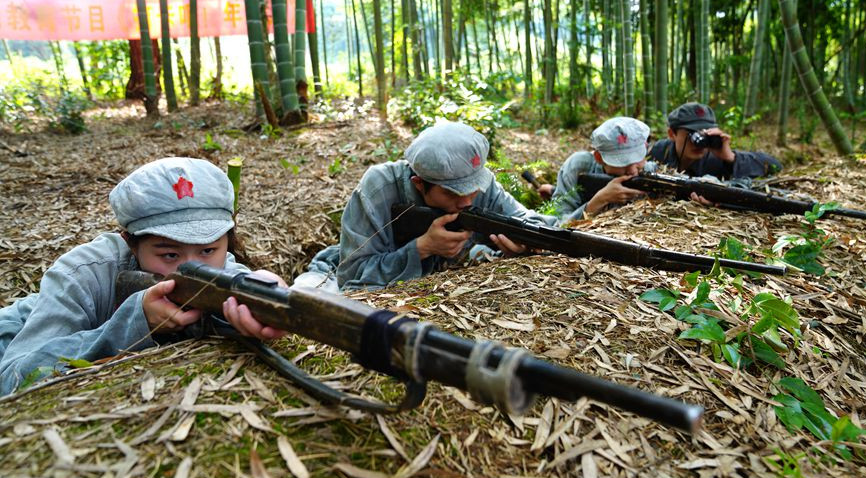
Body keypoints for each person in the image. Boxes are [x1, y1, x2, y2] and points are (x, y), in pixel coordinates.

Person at [0, 157, 287, 395]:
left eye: (208, 249)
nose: (193, 268)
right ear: (130, 243)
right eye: (170, 255)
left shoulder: (225, 269)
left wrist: (266, 303)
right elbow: (16, 379)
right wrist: (135, 322)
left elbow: (251, 295)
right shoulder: (80, 274)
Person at [293, 122, 557, 292]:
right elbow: (352, 276)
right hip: (333, 273)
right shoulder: (379, 188)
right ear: (419, 184)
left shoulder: (481, 189)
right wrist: (421, 249)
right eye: (453, 192)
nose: (467, 201)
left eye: (474, 187)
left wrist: (526, 243)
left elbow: (533, 221)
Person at [540, 117, 656, 223]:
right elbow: (557, 223)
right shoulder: (578, 167)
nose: (632, 170)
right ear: (599, 158)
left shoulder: (653, 173)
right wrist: (600, 200)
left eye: (637, 159)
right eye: (622, 163)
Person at [649, 102, 781, 180]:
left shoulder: (715, 159)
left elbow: (775, 166)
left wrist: (731, 158)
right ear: (672, 134)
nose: (699, 142)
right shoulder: (660, 151)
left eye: (705, 133)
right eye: (693, 134)